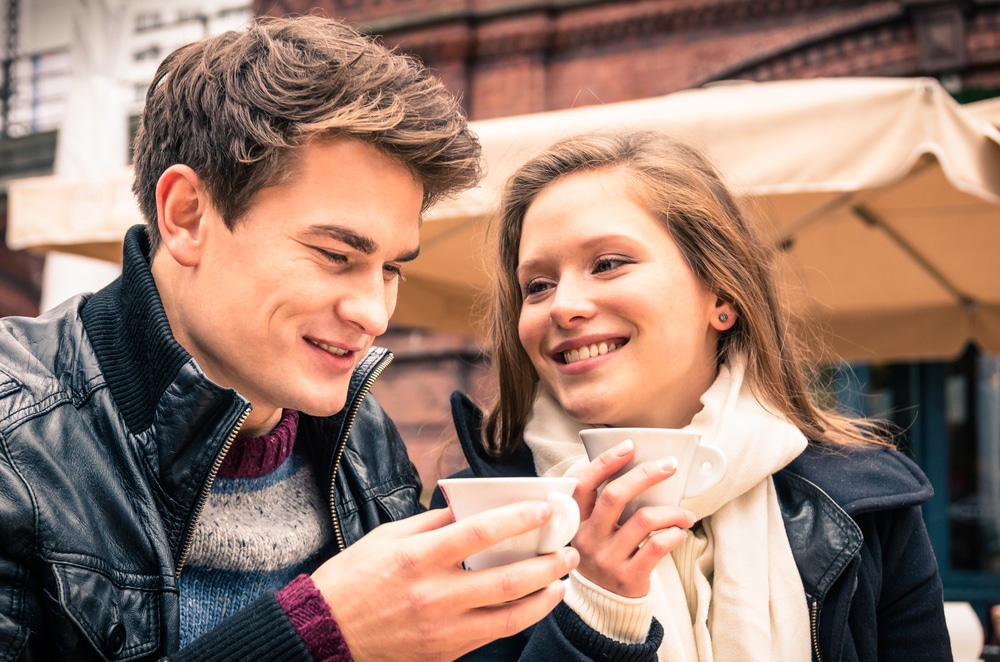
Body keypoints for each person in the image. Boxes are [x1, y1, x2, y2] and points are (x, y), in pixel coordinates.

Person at [0, 15, 581, 661]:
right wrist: (316, 636)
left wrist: (601, 602)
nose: (375, 314)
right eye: (336, 254)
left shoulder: (361, 434)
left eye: (391, 268)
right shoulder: (14, 436)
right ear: (187, 215)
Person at [433, 129, 952, 660]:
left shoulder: (870, 504)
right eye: (537, 285)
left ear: (722, 295)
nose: (563, 306)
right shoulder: (482, 515)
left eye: (608, 263)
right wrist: (596, 611)